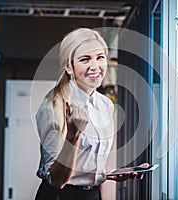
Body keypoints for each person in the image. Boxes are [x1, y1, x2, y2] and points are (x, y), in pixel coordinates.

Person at [35, 28, 147, 200]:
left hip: (92, 195)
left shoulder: (105, 105)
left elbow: (87, 165)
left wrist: (112, 174)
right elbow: (56, 180)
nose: (95, 66)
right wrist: (73, 136)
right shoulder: (53, 106)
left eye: (100, 58)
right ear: (68, 66)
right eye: (85, 59)